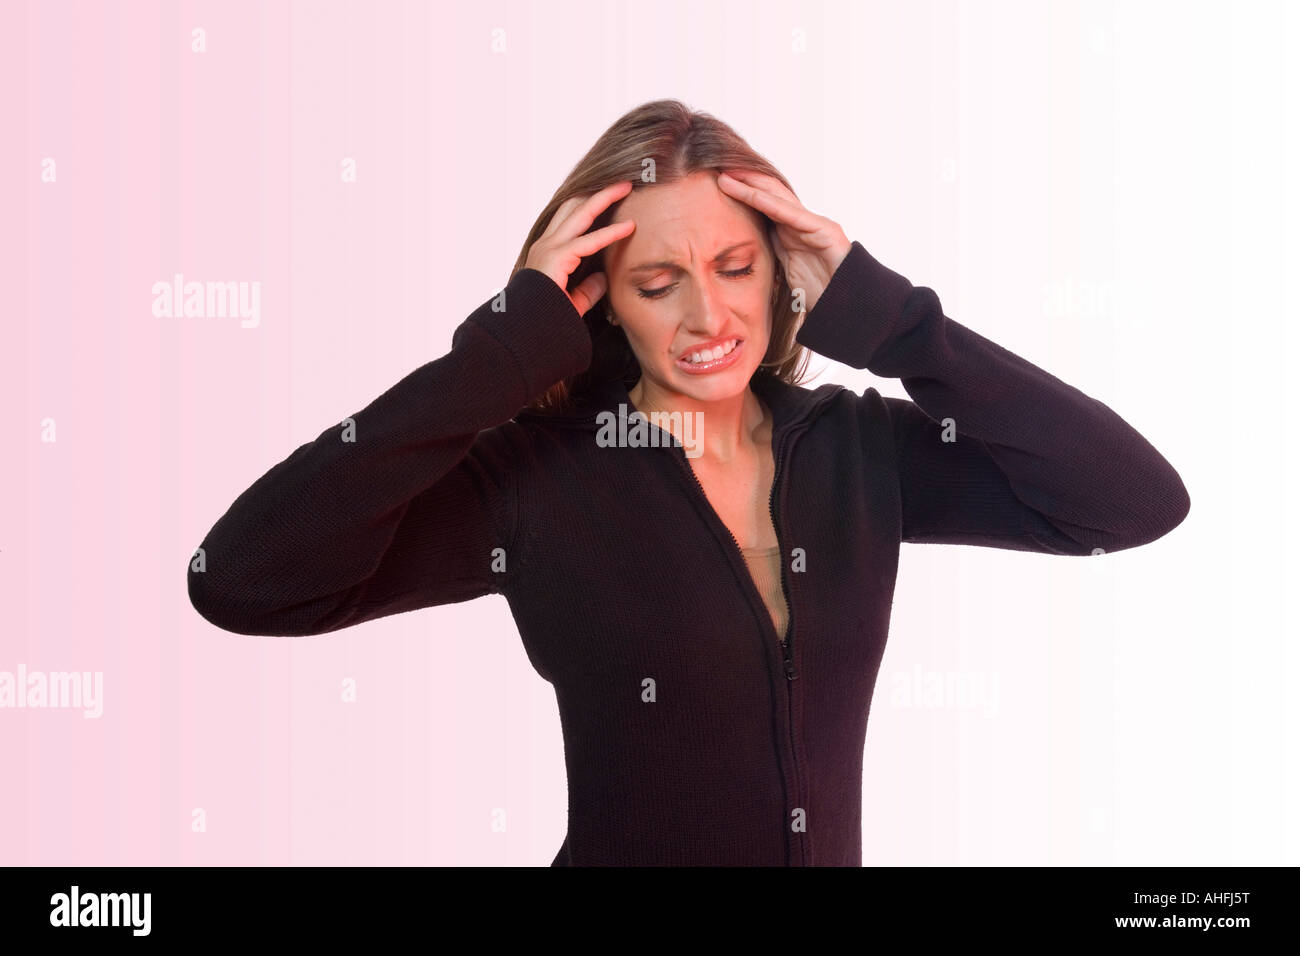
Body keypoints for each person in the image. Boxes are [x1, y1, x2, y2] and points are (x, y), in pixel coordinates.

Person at [188, 99, 1190, 866]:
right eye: (658, 282)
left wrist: (896, 326)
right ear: (604, 301)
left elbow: (1129, 500)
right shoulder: (535, 480)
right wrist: (498, 355)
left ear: (784, 271)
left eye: (735, 266)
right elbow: (242, 578)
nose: (707, 314)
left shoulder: (855, 450)